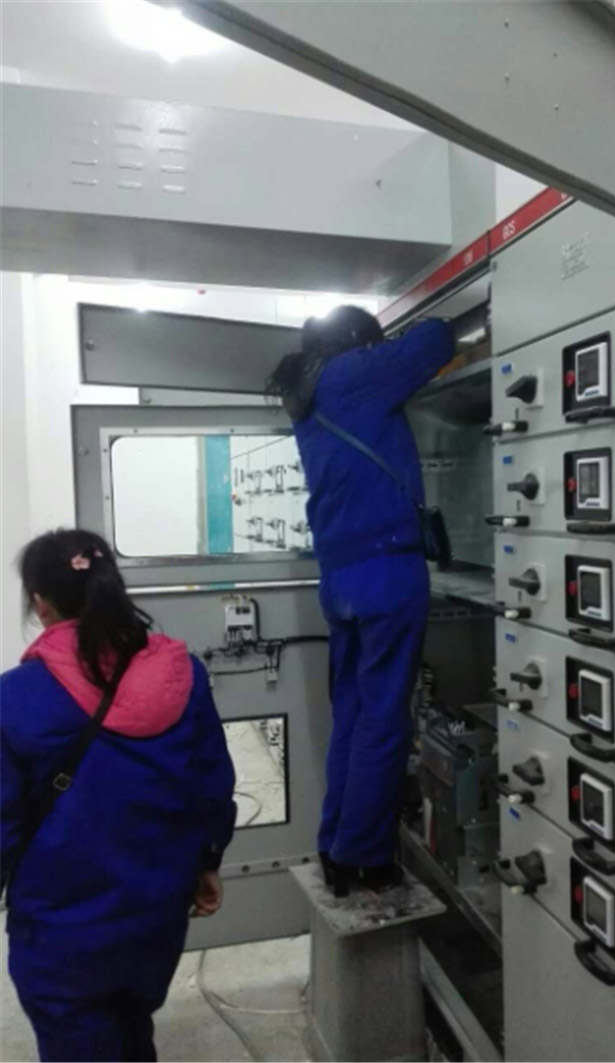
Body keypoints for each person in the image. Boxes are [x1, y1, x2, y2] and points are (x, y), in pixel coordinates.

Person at [0, 529, 236, 1063]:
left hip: (62, 930)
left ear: (40, 603)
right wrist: (208, 861)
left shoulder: (15, 698)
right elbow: (211, 785)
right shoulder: (183, 674)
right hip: (157, 916)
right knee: (132, 1024)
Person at [270, 306, 454, 895]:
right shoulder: (351, 373)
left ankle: (336, 843)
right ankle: (366, 857)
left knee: (352, 714)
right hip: (387, 571)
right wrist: (389, 344)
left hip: (341, 579)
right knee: (384, 720)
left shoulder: (307, 395)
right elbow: (437, 337)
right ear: (358, 344)